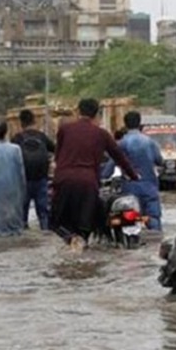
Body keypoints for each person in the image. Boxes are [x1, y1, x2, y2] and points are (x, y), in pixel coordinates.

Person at [51, 98, 139, 249]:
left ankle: (70, 238)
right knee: (85, 226)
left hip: (64, 180)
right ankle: (82, 248)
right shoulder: (102, 134)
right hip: (88, 183)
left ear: (78, 112)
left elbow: (58, 157)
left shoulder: (65, 129)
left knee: (55, 222)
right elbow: (120, 157)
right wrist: (134, 176)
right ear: (97, 114)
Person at [118, 111, 165, 231]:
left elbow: (110, 166)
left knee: (129, 220)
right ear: (140, 123)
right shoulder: (150, 142)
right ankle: (156, 245)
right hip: (149, 187)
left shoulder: (122, 143)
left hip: (130, 188)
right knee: (153, 219)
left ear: (125, 124)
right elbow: (159, 161)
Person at [11, 109, 56, 231]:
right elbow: (55, 149)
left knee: (22, 214)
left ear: (21, 123)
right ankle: (45, 231)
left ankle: (23, 238)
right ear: (34, 121)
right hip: (41, 179)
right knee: (43, 213)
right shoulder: (42, 137)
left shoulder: (17, 139)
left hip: (23, 181)